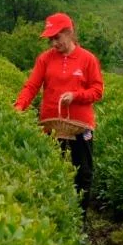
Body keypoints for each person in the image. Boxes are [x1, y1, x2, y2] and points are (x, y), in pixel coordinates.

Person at [15, 12, 104, 201]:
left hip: (80, 126)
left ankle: (79, 222)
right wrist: (18, 107)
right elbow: (31, 86)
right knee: (50, 171)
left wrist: (76, 96)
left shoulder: (88, 59)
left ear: (69, 33)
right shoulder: (45, 59)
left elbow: (97, 91)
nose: (54, 43)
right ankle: (57, 217)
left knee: (82, 174)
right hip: (51, 125)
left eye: (57, 37)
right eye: (50, 39)